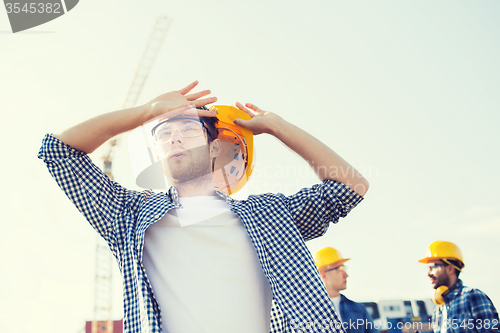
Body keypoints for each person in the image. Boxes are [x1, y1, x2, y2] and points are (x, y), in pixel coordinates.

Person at [38, 81, 369, 333]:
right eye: (164, 133)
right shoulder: (129, 216)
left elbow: (351, 187)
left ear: (214, 149)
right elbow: (57, 151)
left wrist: (277, 127)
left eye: (188, 130)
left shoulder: (270, 215)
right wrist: (146, 111)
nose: (175, 138)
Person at [419, 240, 499, 333]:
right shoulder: (438, 311)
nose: (428, 273)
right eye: (428, 268)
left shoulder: (472, 296)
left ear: (450, 268)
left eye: (433, 266)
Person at [315, 247, 379, 333]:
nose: (346, 275)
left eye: (345, 269)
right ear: (323, 274)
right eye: (340, 269)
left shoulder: (359, 309)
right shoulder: (310, 311)